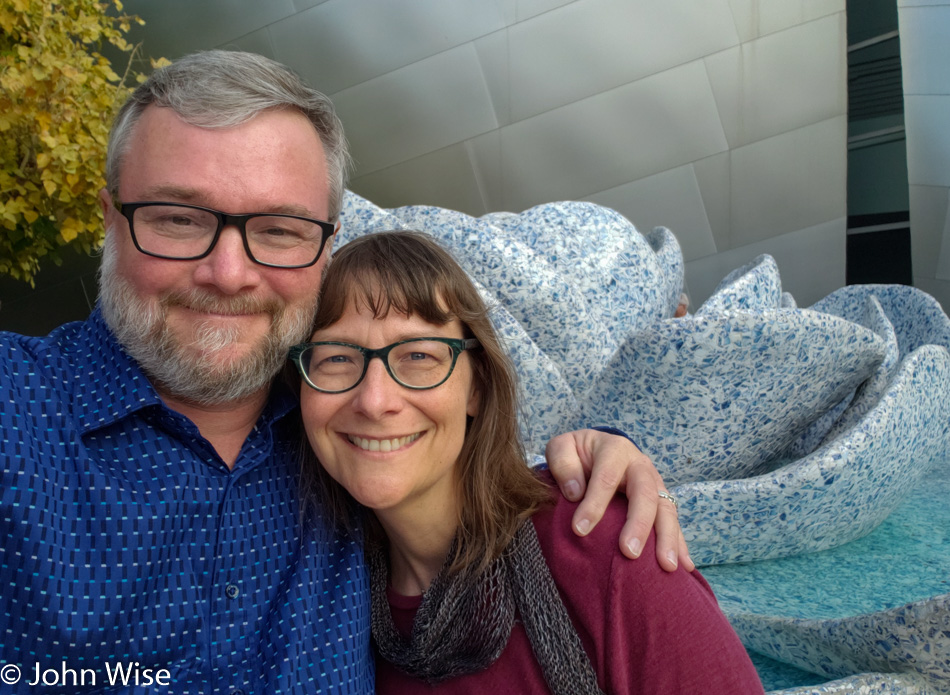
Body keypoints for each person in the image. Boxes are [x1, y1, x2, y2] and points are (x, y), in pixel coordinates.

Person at [0, 51, 688, 694]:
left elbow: (452, 444)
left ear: (325, 245)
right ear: (109, 220)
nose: (228, 274)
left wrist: (595, 448)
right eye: (178, 218)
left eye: (278, 229)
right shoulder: (15, 411)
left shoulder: (341, 433)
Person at [294, 230, 763, 694]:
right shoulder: (331, 604)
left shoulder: (604, 544)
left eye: (418, 354)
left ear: (476, 387)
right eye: (336, 358)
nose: (375, 401)